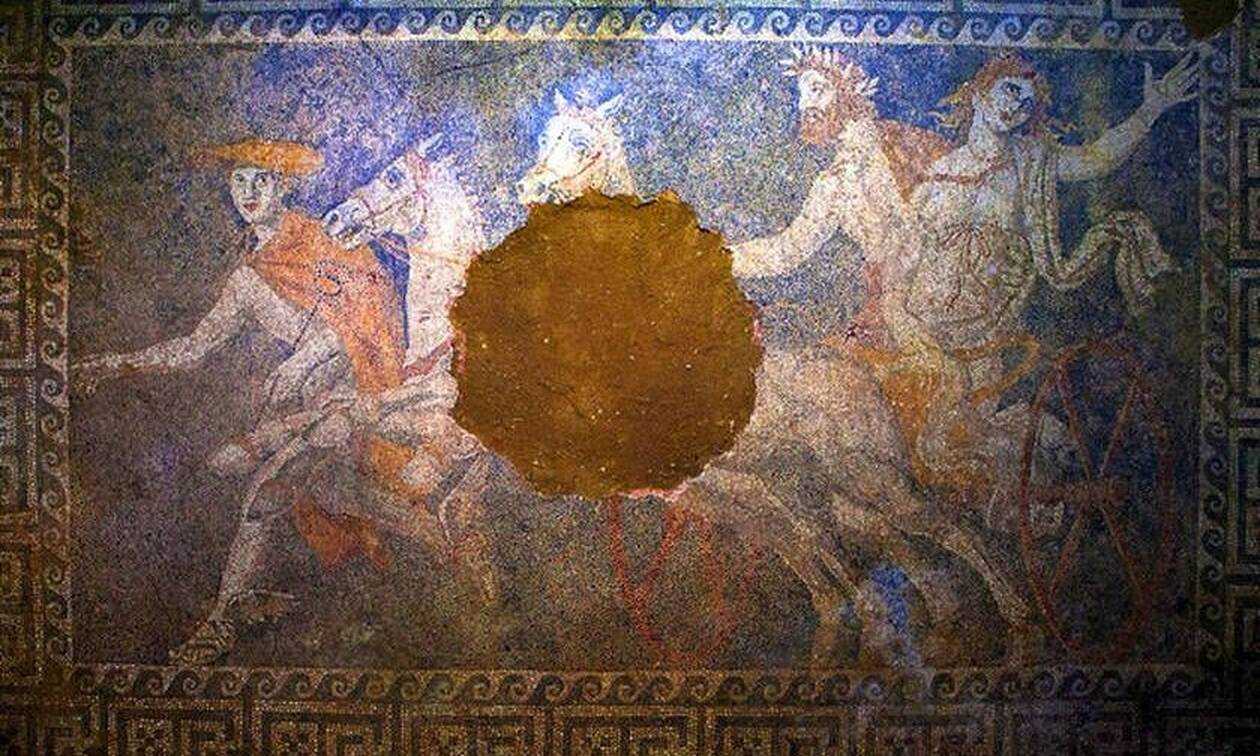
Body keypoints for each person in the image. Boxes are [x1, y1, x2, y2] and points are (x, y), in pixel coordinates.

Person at [76, 139, 480, 664]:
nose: (248, 191)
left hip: (367, 390)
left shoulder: (327, 238)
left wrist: (310, 356)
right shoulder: (247, 278)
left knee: (266, 486)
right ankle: (443, 541)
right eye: (239, 180)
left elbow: (370, 306)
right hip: (317, 403)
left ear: (283, 186)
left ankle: (222, 621)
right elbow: (193, 348)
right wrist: (111, 365)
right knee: (345, 494)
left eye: (261, 180)